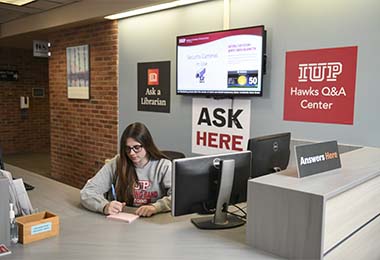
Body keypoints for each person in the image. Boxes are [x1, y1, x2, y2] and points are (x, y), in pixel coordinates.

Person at [80, 122, 171, 217]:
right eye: (127, 148)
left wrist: (156, 207)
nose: (131, 153)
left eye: (136, 147)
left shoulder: (163, 165)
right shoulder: (117, 162)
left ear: (147, 145)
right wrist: (104, 206)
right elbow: (87, 192)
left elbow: (178, 197)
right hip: (123, 219)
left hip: (155, 220)